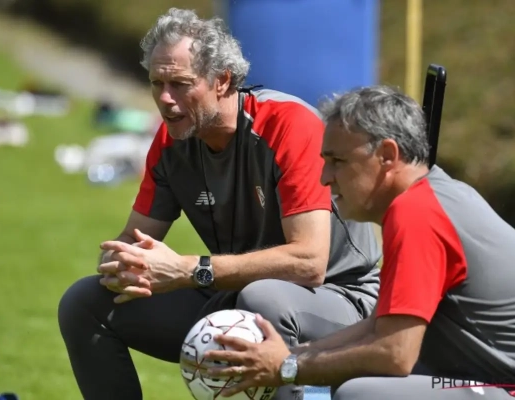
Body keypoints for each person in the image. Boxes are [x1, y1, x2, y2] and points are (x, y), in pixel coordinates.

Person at [57, 8, 382, 400]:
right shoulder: (171, 142)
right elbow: (134, 237)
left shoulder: (290, 126)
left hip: (344, 299)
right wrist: (122, 262)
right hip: (237, 292)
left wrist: (188, 269)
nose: (165, 99)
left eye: (180, 84)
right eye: (157, 83)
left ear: (222, 81)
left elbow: (309, 263)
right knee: (84, 302)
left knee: (261, 300)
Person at [203, 85, 515, 400]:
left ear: (387, 155)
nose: (325, 177)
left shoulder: (417, 213)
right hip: (511, 383)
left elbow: (394, 354)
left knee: (360, 394)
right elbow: (377, 328)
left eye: (337, 161)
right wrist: (292, 357)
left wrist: (288, 367)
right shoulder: (431, 196)